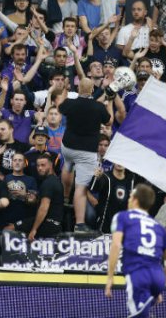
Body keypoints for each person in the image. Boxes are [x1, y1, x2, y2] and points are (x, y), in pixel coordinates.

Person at [104, 184, 166, 318]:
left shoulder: (123, 217)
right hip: (158, 276)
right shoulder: (158, 227)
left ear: (135, 200)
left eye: (130, 196)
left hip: (137, 274)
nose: (128, 199)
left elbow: (115, 245)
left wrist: (110, 277)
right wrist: (159, 287)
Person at [57, 78, 111, 232]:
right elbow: (108, 122)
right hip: (86, 152)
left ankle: (66, 196)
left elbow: (60, 107)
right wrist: (110, 102)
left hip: (68, 146)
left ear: (78, 89)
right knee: (81, 188)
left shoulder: (70, 103)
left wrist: (64, 89)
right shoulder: (98, 107)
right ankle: (79, 224)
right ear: (92, 90)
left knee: (67, 165)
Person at [8, 153, 63, 239]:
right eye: (38, 166)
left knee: (8, 229)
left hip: (47, 223)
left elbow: (44, 207)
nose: (40, 168)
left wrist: (34, 229)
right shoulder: (54, 180)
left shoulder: (49, 183)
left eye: (43, 165)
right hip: (54, 224)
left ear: (51, 165)